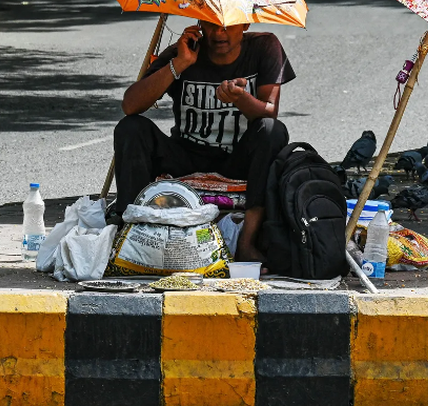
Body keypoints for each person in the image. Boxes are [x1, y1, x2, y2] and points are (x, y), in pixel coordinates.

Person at [113, 21, 294, 263]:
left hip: (236, 160)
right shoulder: (185, 51)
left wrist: (240, 98)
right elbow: (130, 105)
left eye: (228, 26)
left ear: (245, 24)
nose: (220, 33)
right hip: (186, 156)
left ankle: (248, 241)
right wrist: (179, 63)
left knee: (273, 131)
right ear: (200, 24)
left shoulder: (265, 46)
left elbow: (269, 111)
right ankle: (129, 231)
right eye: (211, 25)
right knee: (131, 128)